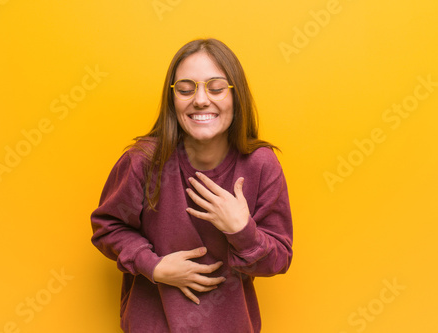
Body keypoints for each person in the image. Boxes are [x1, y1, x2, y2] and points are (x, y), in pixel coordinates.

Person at [91, 38, 293, 333]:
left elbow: (279, 259)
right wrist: (153, 266)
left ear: (236, 95)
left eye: (216, 88)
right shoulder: (143, 161)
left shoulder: (262, 165)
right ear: (172, 98)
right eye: (186, 89)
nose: (200, 99)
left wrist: (242, 230)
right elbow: (107, 226)